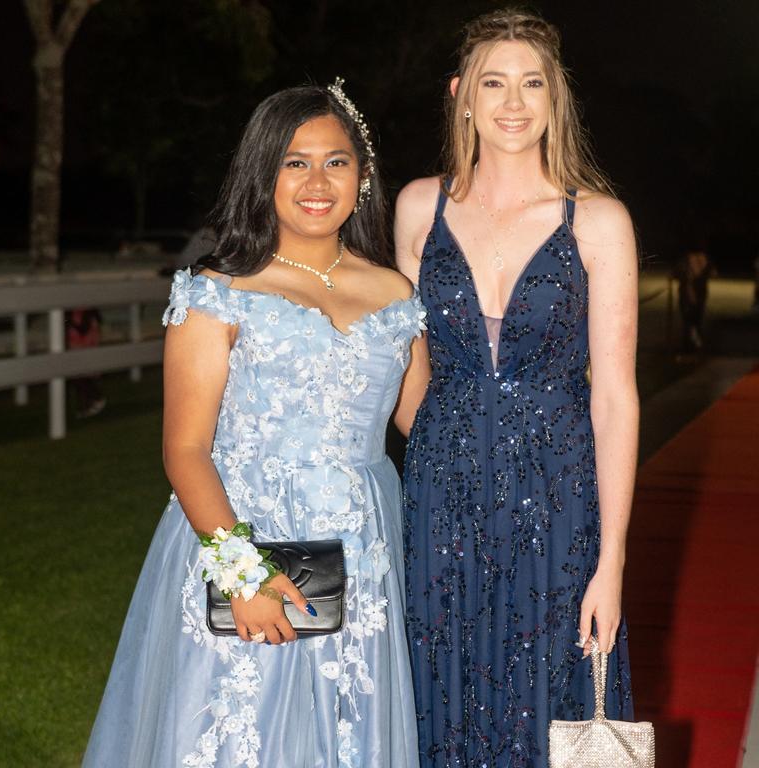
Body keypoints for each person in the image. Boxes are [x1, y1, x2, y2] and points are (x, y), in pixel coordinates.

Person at [83, 81, 430, 767]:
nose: (316, 181)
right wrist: (245, 576)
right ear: (262, 173)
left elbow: (429, 426)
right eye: (293, 162)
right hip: (244, 534)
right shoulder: (218, 290)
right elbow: (184, 450)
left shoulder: (395, 294)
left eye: (336, 161)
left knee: (347, 732)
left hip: (362, 550)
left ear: (362, 177)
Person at [395, 9, 637, 767]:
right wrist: (442, 449)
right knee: (442, 685)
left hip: (559, 500)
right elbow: (405, 367)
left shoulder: (596, 220)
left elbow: (615, 398)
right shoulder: (417, 207)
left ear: (555, 97)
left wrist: (614, 561)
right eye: (495, 82)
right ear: (462, 94)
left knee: (549, 697)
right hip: (442, 497)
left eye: (533, 82)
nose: (513, 101)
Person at [66, 308, 106, 418]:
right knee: (77, 376)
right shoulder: (70, 313)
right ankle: (86, 405)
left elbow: (88, 331)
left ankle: (96, 399)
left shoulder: (89, 313)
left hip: (86, 347)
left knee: (82, 376)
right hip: (76, 348)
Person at [674, 245, 714, 352]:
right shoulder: (704, 260)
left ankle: (689, 345)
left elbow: (676, 274)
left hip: (688, 295)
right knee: (695, 320)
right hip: (697, 294)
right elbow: (712, 273)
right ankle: (693, 343)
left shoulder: (686, 260)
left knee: (689, 321)